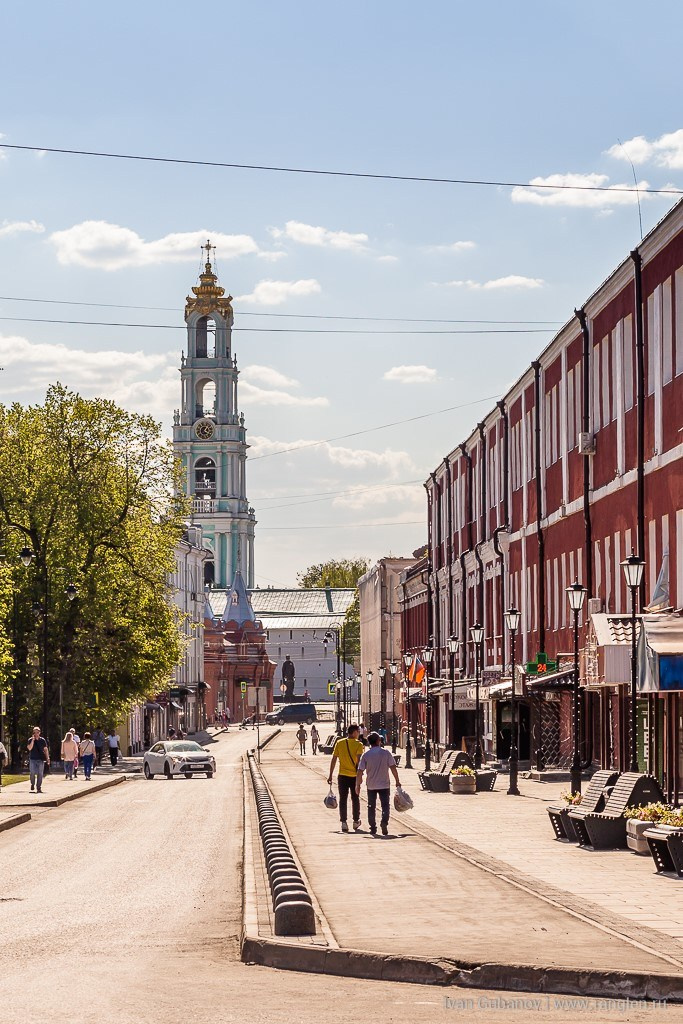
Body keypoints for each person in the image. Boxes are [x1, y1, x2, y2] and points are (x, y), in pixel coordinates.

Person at [356, 731, 400, 836]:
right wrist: (397, 781)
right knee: (385, 805)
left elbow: (360, 771)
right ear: (378, 741)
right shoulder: (386, 753)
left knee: (371, 806)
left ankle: (373, 827)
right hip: (384, 784)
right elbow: (393, 767)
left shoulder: (366, 755)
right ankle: (384, 822)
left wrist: (358, 785)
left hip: (371, 785)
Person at [327, 724, 364, 833]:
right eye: (358, 731)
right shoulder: (359, 744)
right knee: (355, 798)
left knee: (343, 799)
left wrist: (330, 775)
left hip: (342, 776)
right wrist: (360, 776)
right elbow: (359, 762)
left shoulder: (340, 743)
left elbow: (334, 759)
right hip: (354, 777)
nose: (359, 733)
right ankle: (356, 821)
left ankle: (343, 822)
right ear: (354, 732)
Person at [27, 726, 49, 793]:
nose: (36, 734)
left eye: (37, 732)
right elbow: (29, 748)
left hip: (40, 759)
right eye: (34, 732)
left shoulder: (42, 740)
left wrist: (48, 758)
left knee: (40, 773)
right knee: (32, 772)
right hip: (33, 759)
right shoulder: (30, 740)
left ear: (39, 732)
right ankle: (32, 784)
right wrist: (33, 740)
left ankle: (38, 787)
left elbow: (45, 749)